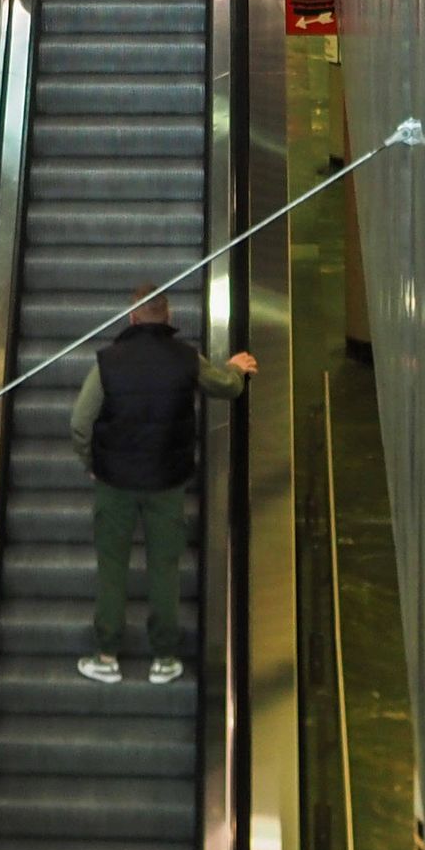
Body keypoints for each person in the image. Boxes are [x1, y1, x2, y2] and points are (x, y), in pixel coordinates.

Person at [72, 290, 258, 687]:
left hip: (115, 483)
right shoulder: (186, 358)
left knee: (112, 568)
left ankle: (106, 655)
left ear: (134, 318)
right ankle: (165, 658)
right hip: (167, 483)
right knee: (164, 567)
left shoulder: (108, 361)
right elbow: (227, 387)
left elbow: (80, 422)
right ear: (167, 315)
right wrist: (236, 368)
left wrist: (93, 464)